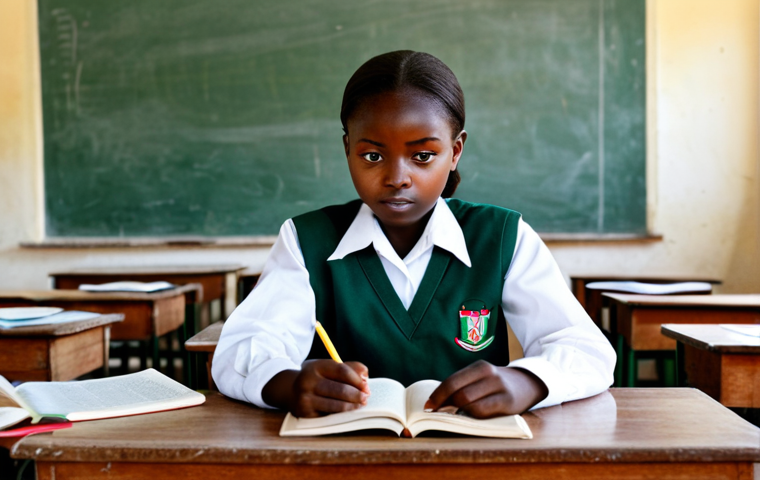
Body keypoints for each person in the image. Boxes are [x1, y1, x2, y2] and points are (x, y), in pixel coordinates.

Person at [212, 50, 616, 419]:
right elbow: (242, 349)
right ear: (347, 148)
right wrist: (287, 384)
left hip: (472, 457)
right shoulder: (307, 239)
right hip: (341, 459)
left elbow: (586, 349)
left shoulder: (503, 236)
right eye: (372, 156)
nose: (396, 178)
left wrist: (529, 381)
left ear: (455, 151)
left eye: (423, 156)